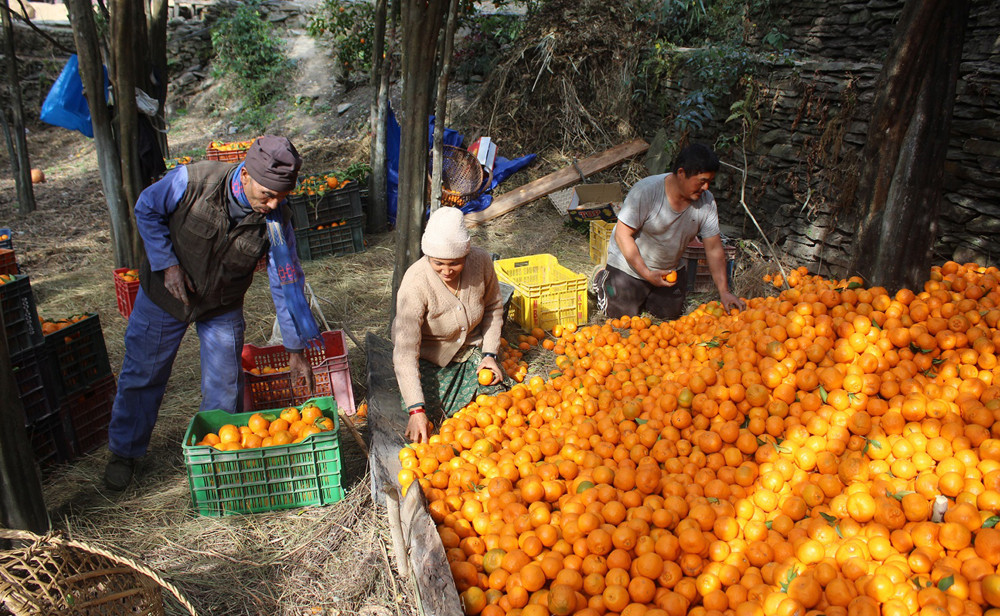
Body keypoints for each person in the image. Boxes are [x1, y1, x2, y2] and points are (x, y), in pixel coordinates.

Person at [104, 135, 320, 491]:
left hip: (222, 303)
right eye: (267, 194)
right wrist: (166, 263)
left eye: (281, 195)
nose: (273, 203)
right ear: (247, 175)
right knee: (143, 373)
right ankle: (124, 452)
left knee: (225, 384)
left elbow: (286, 282)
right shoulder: (194, 181)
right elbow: (146, 207)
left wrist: (295, 350)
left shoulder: (278, 220)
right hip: (166, 294)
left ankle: (221, 455)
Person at [392, 207, 507, 443]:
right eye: (438, 263)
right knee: (429, 416)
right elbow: (405, 353)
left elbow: (493, 308)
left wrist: (489, 354)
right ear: (428, 256)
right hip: (429, 359)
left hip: (469, 351)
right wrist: (416, 409)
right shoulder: (416, 282)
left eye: (455, 263)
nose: (446, 270)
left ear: (466, 254)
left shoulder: (481, 262)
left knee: (498, 398)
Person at [596, 143, 745, 321]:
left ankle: (647, 294)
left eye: (709, 182)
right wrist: (646, 274)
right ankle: (601, 278)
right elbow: (622, 235)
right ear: (681, 173)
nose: (706, 188)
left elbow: (713, 249)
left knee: (669, 316)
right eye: (702, 181)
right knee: (620, 317)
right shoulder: (647, 191)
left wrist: (724, 292)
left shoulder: (706, 202)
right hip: (630, 267)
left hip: (668, 270)